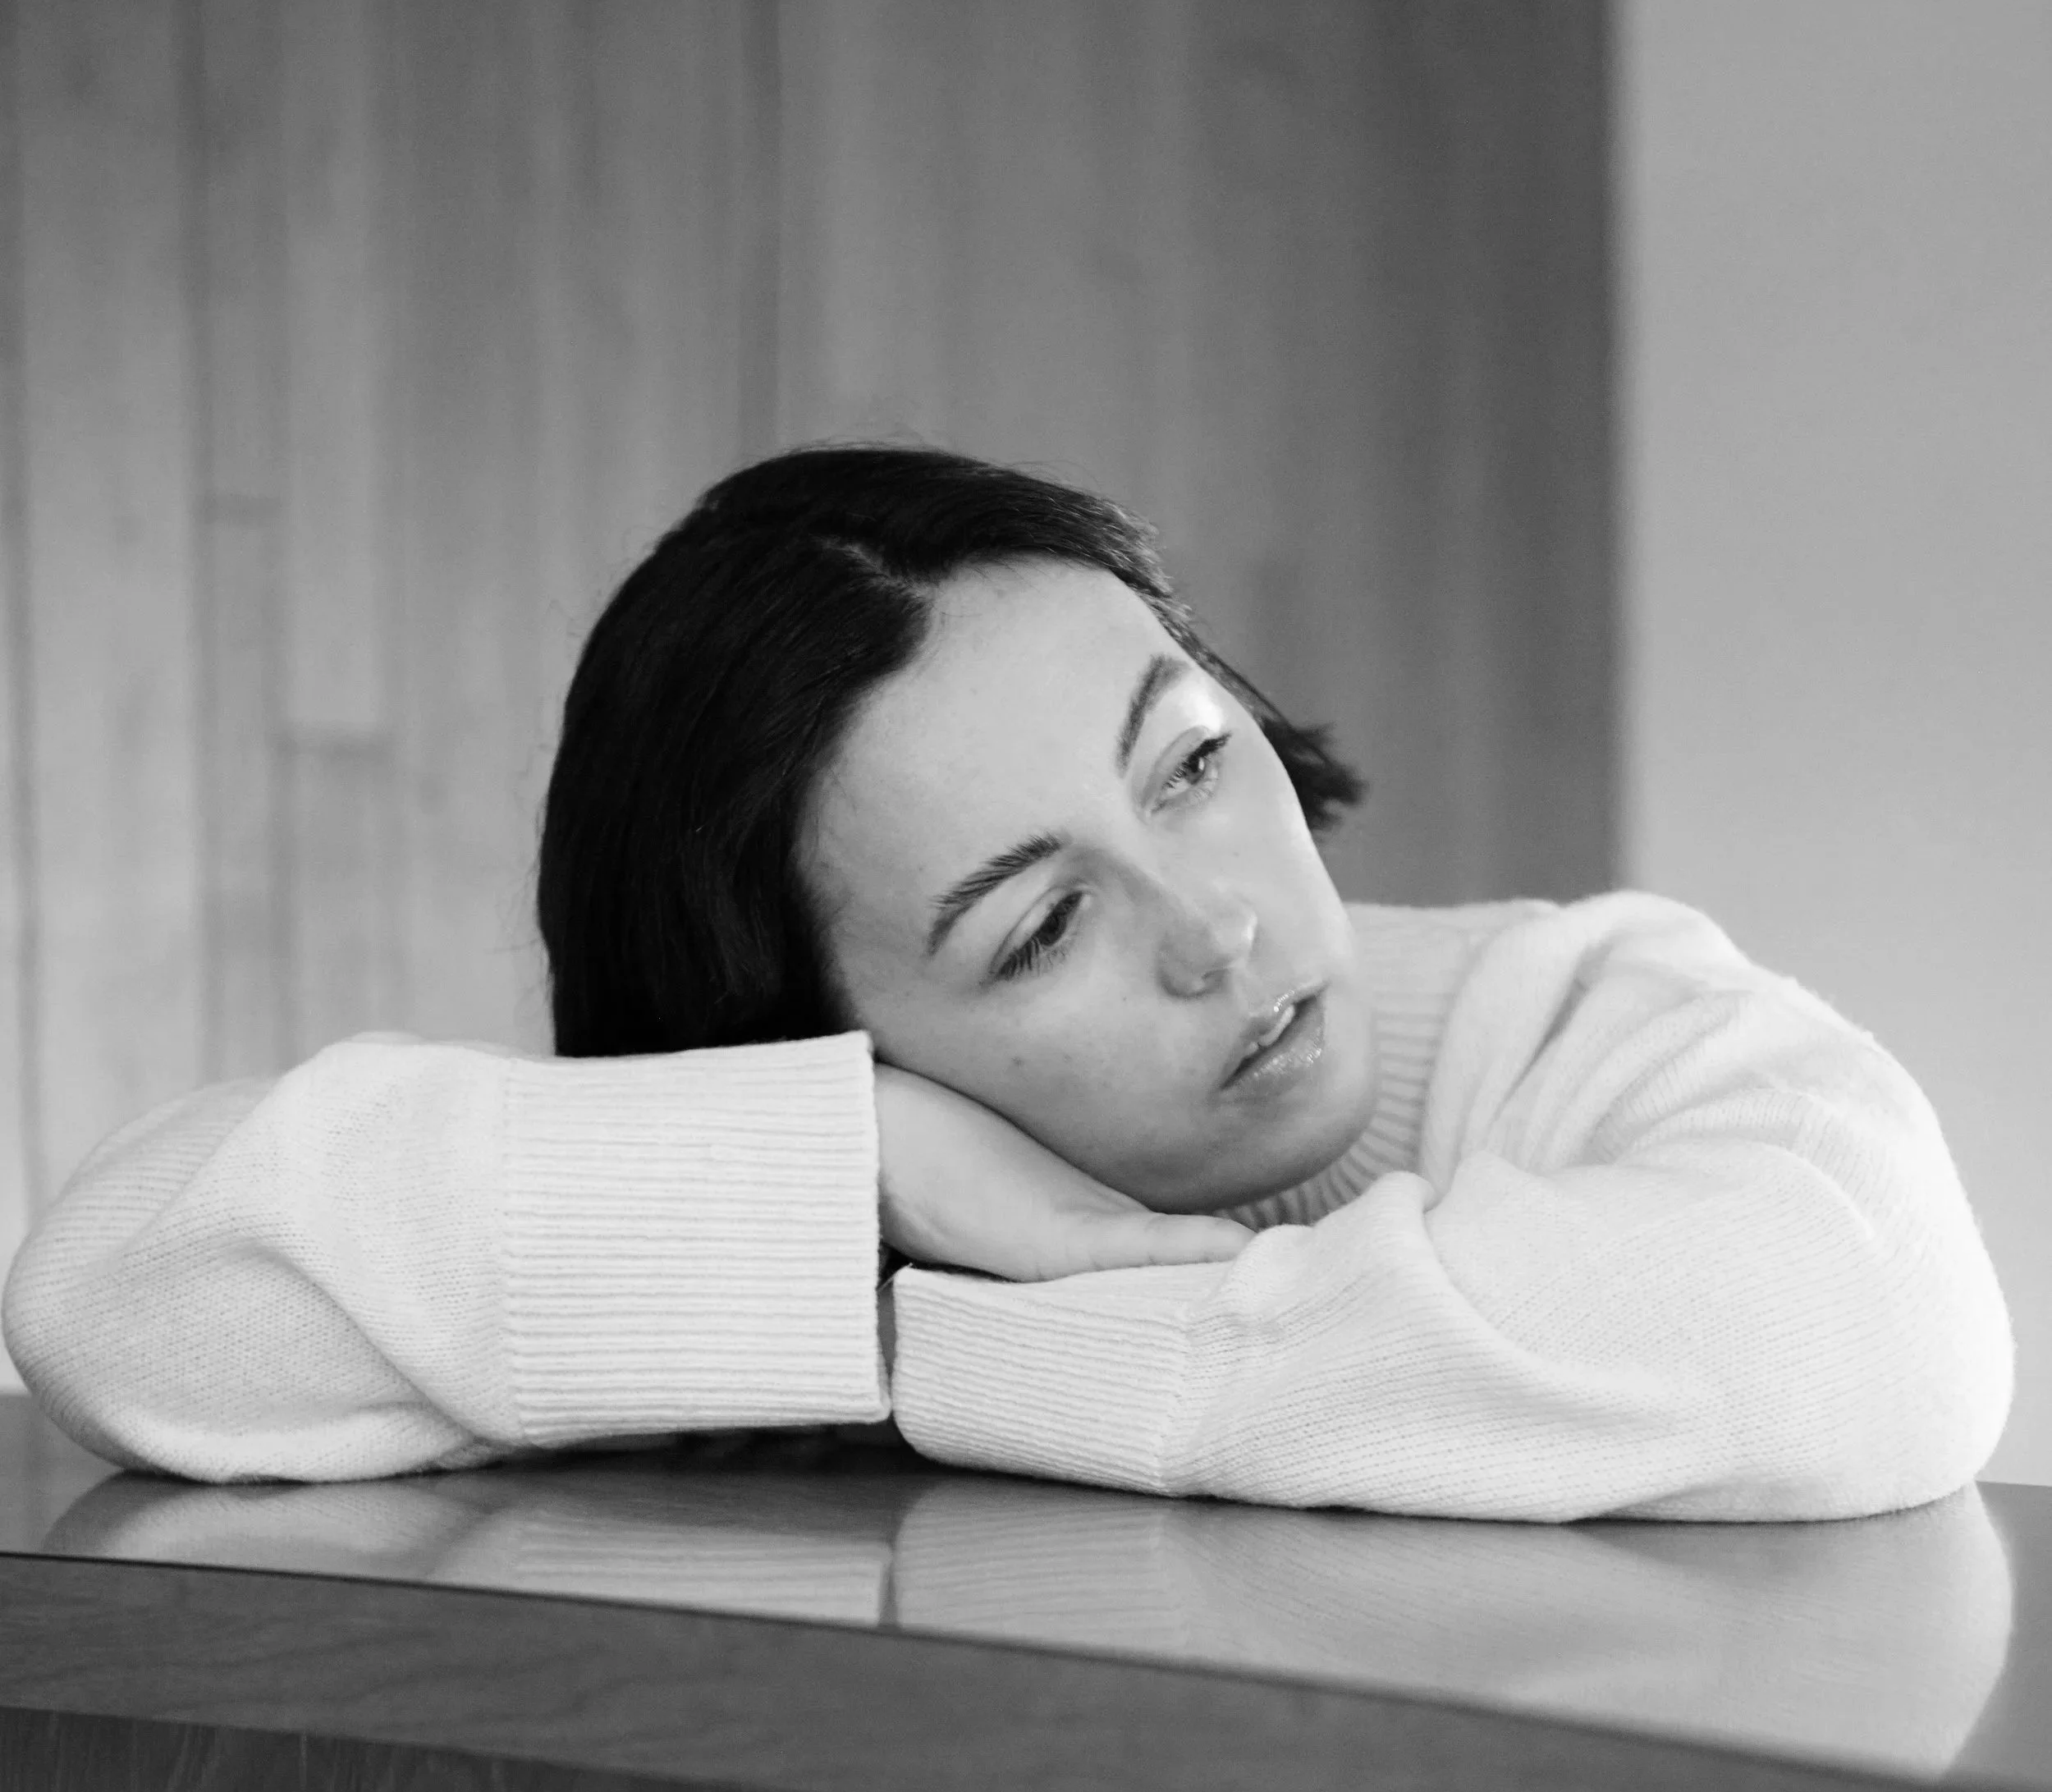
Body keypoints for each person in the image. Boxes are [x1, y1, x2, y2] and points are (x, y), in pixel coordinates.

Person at [2, 445, 2013, 1516]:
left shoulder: (1569, 1018)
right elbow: (121, 1297)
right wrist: (838, 1181)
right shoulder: (817, 1166)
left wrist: (936, 1342)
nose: (1214, 926)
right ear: (803, 1040)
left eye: (1193, 763)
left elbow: (1872, 1339)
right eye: (1037, 928)